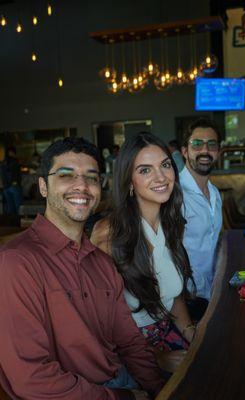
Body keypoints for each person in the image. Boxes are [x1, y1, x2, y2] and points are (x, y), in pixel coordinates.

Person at [0, 137, 165, 400]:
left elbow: (130, 342)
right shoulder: (16, 262)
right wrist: (124, 398)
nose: (82, 186)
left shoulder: (101, 262)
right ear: (43, 186)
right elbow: (31, 379)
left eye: (91, 177)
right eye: (66, 175)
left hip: (120, 379)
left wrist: (161, 390)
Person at [91, 132, 196, 373]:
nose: (161, 177)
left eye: (165, 165)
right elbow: (100, 321)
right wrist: (155, 359)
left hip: (167, 331)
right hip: (129, 354)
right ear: (129, 181)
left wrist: (191, 332)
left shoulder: (171, 223)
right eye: (145, 170)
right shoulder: (108, 235)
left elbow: (173, 294)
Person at [179, 118, 223, 320]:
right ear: (185, 151)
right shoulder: (174, 194)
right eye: (197, 144)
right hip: (185, 299)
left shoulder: (214, 193)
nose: (205, 150)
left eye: (211, 144)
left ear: (218, 152)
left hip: (211, 291)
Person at [1, 146, 22, 215]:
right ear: (11, 152)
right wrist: (16, 183)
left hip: (6, 187)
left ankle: (13, 223)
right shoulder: (15, 162)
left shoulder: (3, 162)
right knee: (18, 207)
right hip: (14, 186)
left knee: (11, 208)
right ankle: (18, 224)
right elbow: (16, 174)